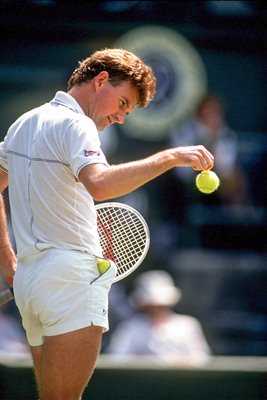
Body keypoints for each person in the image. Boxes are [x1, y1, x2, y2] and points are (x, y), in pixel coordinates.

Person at [0, 48, 214, 400]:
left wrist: (9, 260)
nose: (121, 117)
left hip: (31, 283)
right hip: (70, 279)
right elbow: (100, 184)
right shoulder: (78, 123)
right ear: (101, 81)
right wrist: (169, 157)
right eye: (124, 103)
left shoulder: (24, 121)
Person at [106, 270, 212, 365]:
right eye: (151, 305)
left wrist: (178, 362)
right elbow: (117, 358)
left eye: (161, 305)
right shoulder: (131, 328)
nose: (156, 310)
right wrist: (150, 362)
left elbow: (202, 359)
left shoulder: (187, 325)